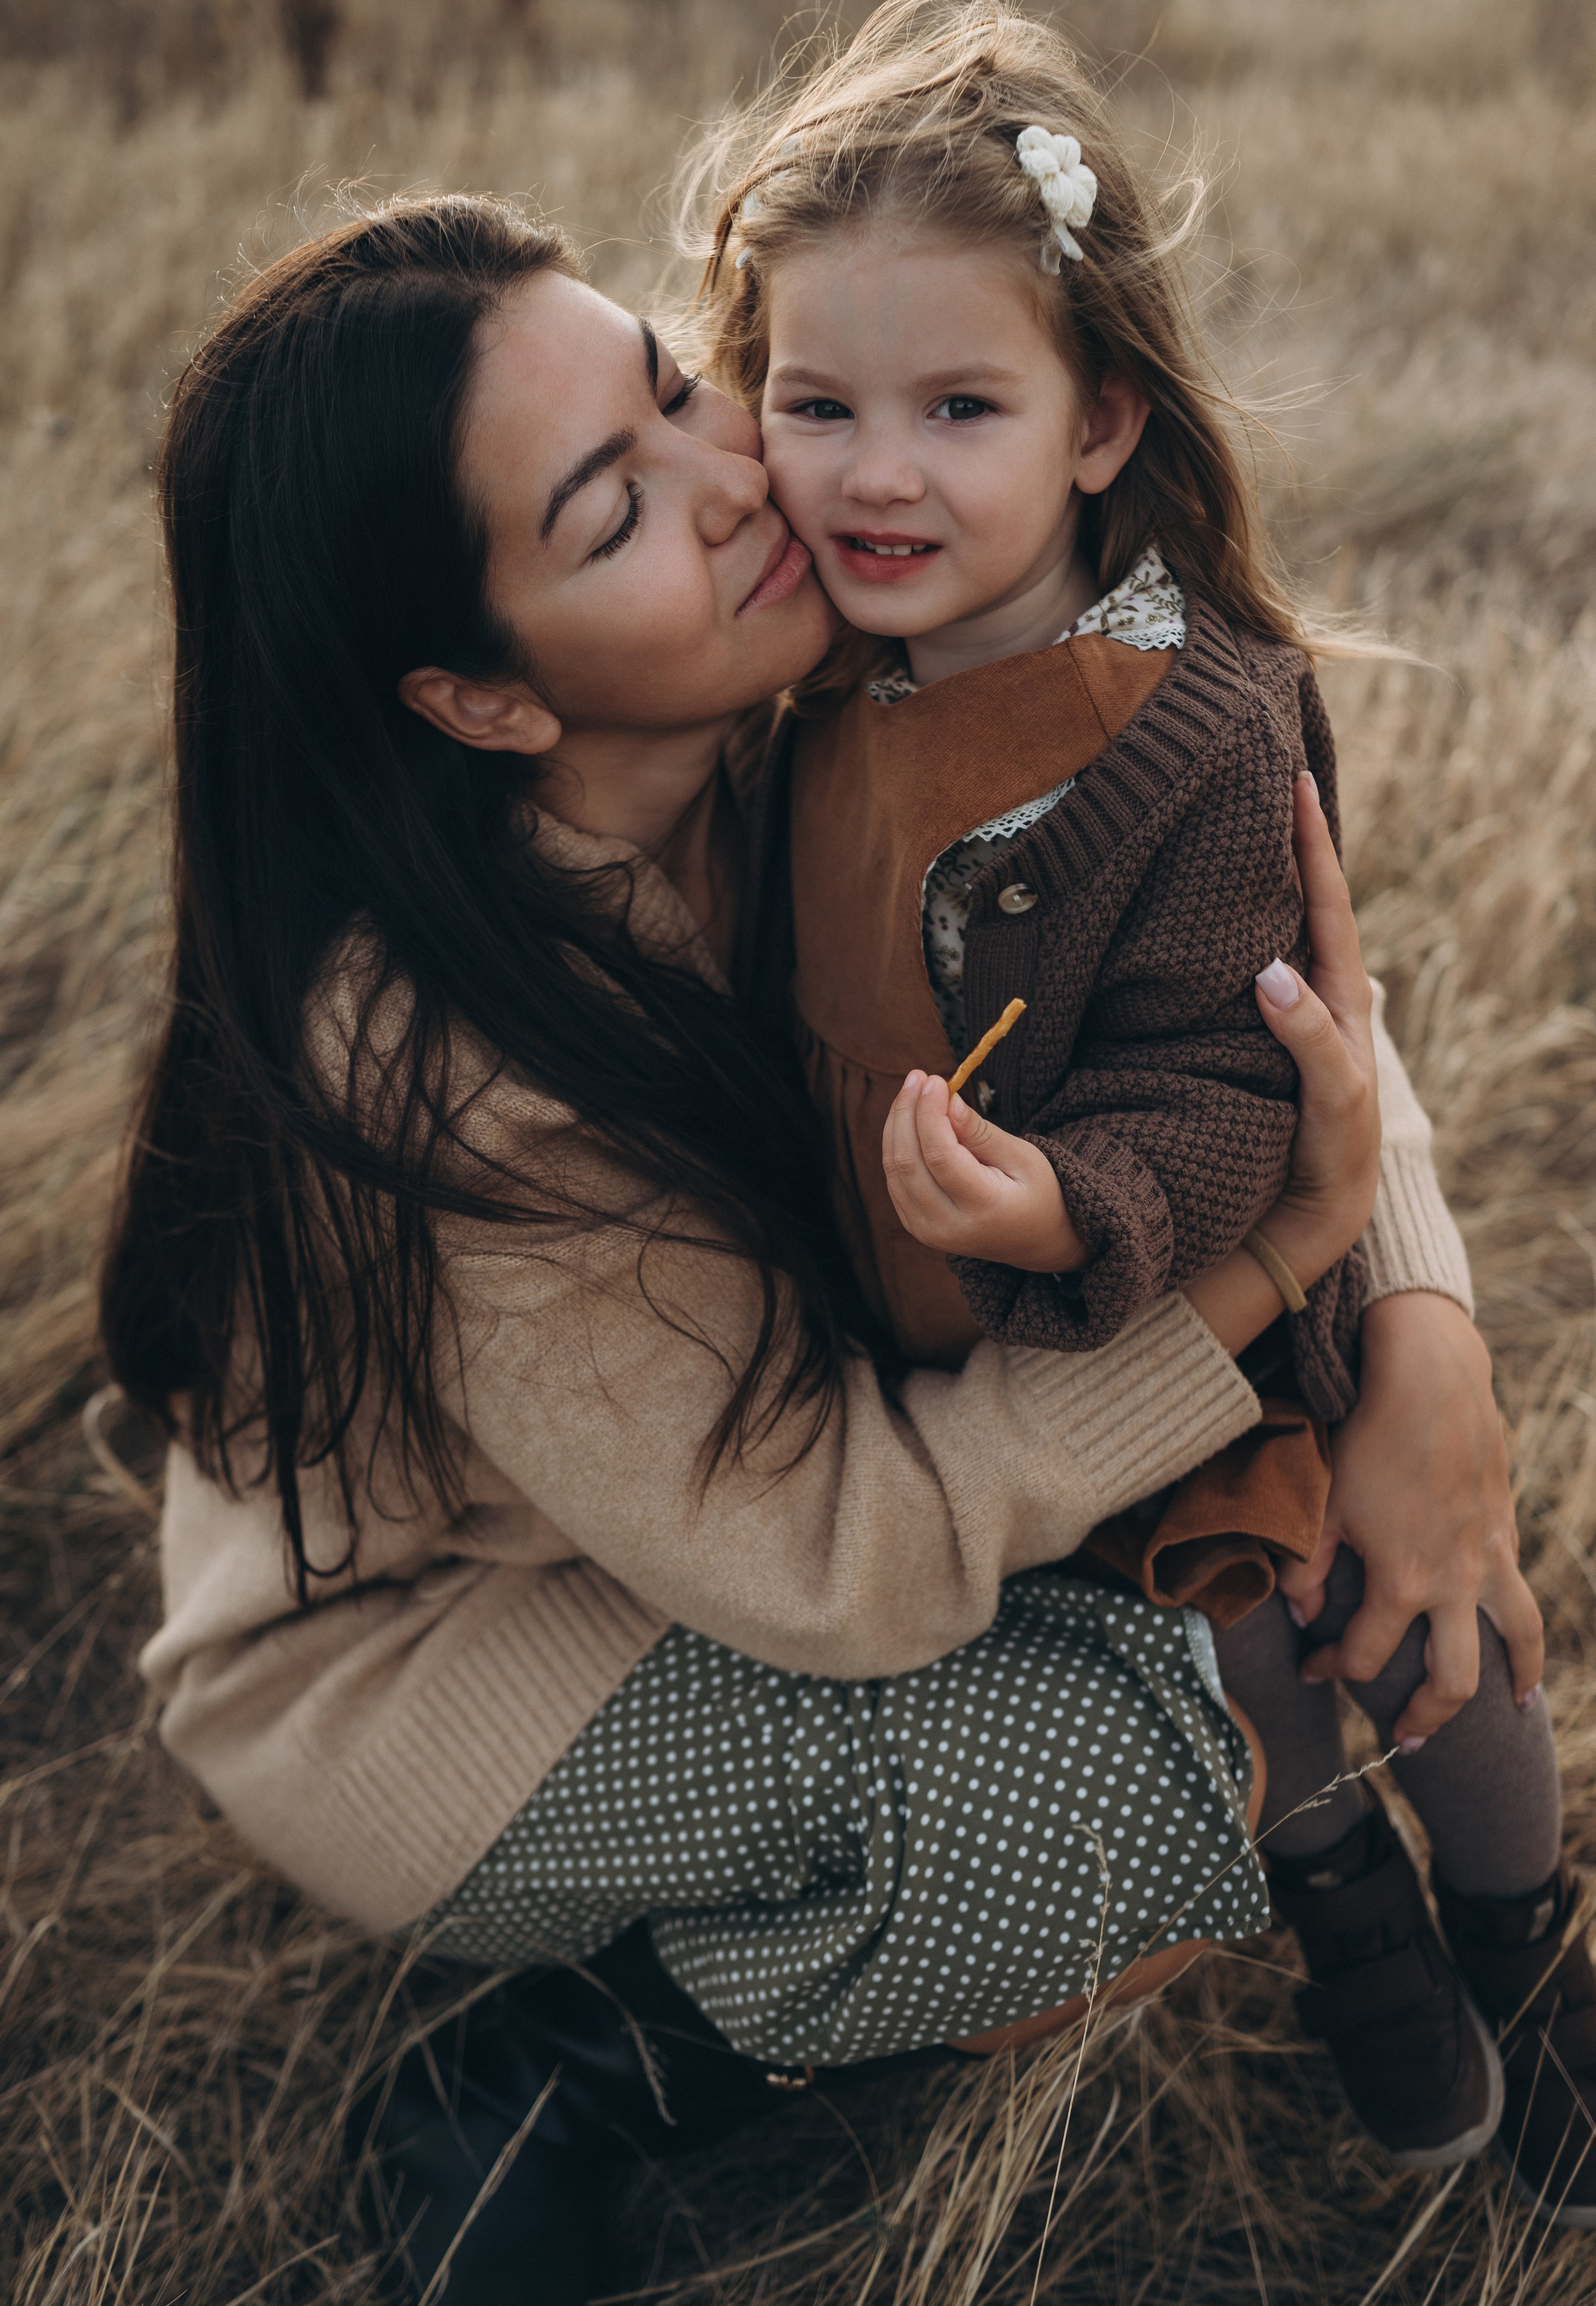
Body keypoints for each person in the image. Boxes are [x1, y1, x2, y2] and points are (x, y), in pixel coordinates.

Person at [98, 193, 1541, 2296]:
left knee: (1274, 1581)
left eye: (676, 387)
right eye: (614, 509)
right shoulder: (449, 1076)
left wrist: (1420, 1328)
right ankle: (575, 2065)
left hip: (732, 1463)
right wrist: (1254, 1293)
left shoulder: (806, 683)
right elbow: (834, 1552)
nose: (744, 479)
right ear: (486, 702)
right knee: (1146, 1763)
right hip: (459, 1656)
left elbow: (1255, 1008)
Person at [685, 0, 1592, 2212]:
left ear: (1099, 427)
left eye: (961, 406)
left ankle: (1522, 1932)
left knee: (1416, 1649)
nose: (878, 470)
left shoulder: (1192, 726)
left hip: (1213, 1327)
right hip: (978, 1408)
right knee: (1233, 1706)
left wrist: (1067, 1206)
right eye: (819, 403)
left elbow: (1249, 1076)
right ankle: (1341, 1908)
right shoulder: (805, 704)